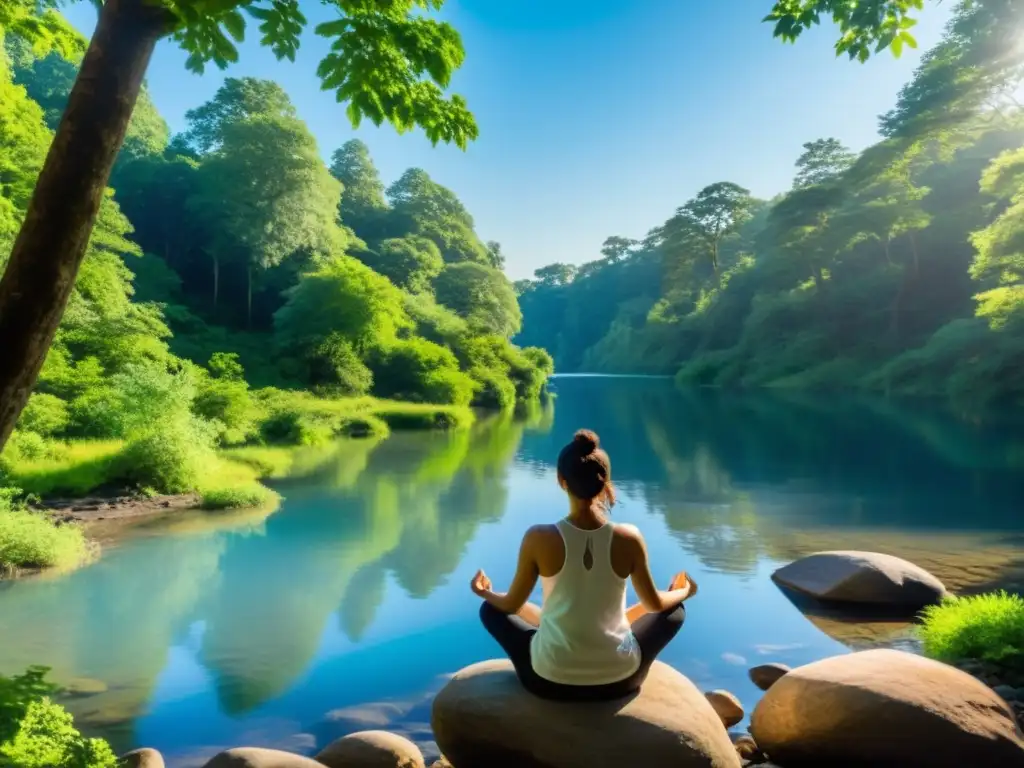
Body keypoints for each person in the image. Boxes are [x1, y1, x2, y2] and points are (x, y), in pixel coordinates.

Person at [470, 428, 697, 702]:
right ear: (605, 482)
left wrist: (485, 593)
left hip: (547, 680)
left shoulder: (539, 537)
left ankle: (551, 647)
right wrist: (682, 592)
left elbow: (509, 606)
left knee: (490, 610)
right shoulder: (629, 537)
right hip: (619, 680)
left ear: (561, 480)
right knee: (675, 611)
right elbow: (655, 606)